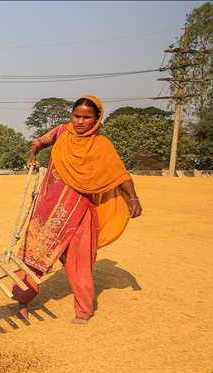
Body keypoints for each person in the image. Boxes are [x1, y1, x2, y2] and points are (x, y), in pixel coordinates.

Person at [13, 95, 142, 325]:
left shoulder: (102, 145)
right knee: (33, 254)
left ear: (97, 119)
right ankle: (22, 303)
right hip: (48, 208)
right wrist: (32, 154)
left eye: (86, 117)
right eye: (76, 116)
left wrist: (133, 198)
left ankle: (83, 310)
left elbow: (119, 173)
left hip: (81, 213)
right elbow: (39, 142)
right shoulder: (61, 132)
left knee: (79, 262)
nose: (80, 121)